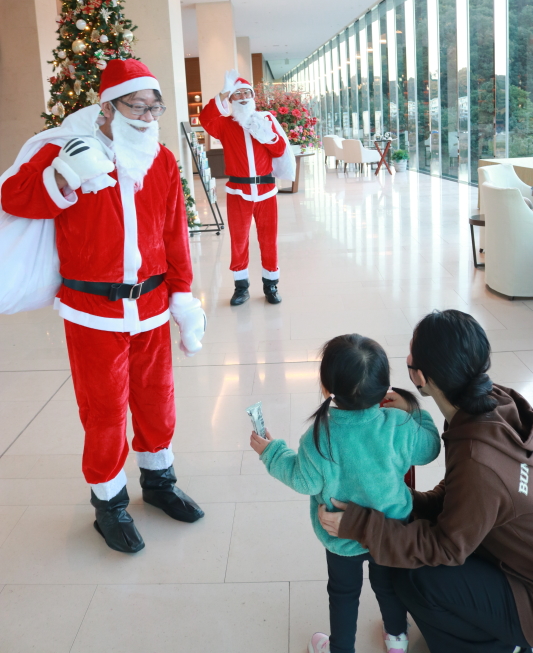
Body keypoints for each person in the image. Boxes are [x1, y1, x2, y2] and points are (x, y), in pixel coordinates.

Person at [0, 59, 206, 554]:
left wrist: (182, 294)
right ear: (107, 107)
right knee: (105, 411)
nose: (146, 116)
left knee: (157, 400)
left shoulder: (162, 160)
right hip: (93, 312)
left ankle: (158, 482)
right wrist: (65, 175)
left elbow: (175, 234)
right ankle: (109, 503)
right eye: (136, 106)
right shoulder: (65, 149)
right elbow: (12, 195)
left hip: (153, 305)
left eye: (153, 107)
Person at [318, 310, 533, 653]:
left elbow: (446, 546)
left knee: (413, 575)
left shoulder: (478, 457)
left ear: (419, 376)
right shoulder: (492, 402)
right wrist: (405, 501)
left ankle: (497, 646)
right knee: (410, 542)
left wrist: (361, 524)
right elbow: (463, 495)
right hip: (513, 555)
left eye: (410, 354)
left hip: (526, 599)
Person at [249, 333, 441, 653]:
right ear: (384, 388)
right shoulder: (398, 424)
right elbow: (431, 448)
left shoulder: (319, 435)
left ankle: (341, 649)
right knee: (389, 587)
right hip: (391, 530)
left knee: (342, 593)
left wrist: (272, 453)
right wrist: (413, 409)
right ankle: (396, 638)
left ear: (327, 389)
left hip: (340, 535)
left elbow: (304, 480)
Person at [199, 69, 295, 306]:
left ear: (252, 96)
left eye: (246, 92)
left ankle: (271, 284)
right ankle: (240, 287)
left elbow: (280, 150)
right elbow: (205, 120)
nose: (242, 96)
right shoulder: (224, 124)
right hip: (238, 192)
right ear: (230, 99)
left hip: (266, 190)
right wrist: (221, 94)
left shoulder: (266, 119)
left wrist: (266, 135)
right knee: (239, 240)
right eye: (236, 93)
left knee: (268, 239)